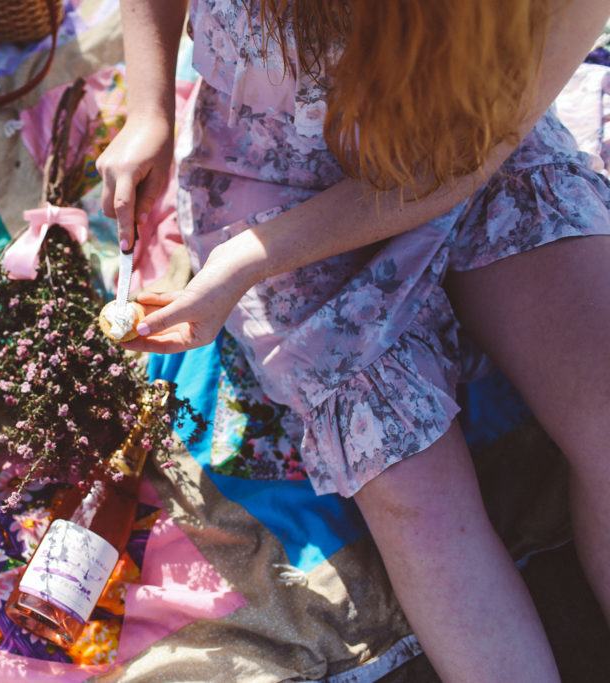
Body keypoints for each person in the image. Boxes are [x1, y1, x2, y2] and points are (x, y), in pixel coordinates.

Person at [96, 0, 610, 679]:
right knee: (418, 500)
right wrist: (149, 109)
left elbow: (464, 157)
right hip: (278, 182)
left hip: (474, 155)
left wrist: (239, 268)